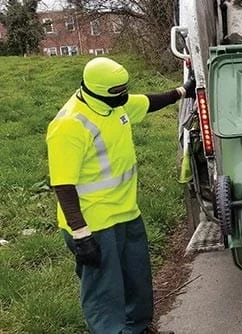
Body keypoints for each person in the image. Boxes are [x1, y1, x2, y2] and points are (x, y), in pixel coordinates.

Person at [46, 57, 194, 333]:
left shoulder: (115, 104)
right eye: (118, 92)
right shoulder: (69, 125)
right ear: (97, 90)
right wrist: (81, 234)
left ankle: (137, 327)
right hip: (94, 224)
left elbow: (148, 102)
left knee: (136, 279)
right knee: (105, 292)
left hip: (126, 213)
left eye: (125, 89)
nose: (124, 96)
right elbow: (63, 185)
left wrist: (183, 91)